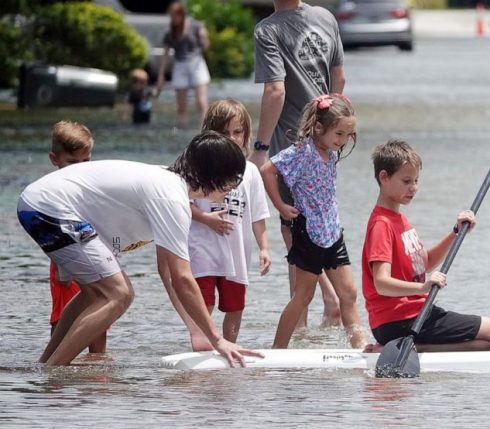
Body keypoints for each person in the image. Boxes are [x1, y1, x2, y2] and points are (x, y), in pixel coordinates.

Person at [17, 131, 261, 366]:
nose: (234, 186)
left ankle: (45, 365)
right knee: (119, 294)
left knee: (96, 293)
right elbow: (183, 278)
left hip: (37, 203)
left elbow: (164, 269)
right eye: (232, 178)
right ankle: (55, 371)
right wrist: (216, 339)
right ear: (213, 175)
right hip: (47, 207)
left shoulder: (169, 188)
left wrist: (198, 330)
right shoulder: (171, 198)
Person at [250, 0, 346, 328]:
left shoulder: (268, 30)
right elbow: (339, 79)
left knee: (293, 226)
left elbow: (275, 91)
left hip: (293, 142)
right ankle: (327, 304)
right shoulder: (325, 17)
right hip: (328, 140)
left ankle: (308, 319)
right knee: (319, 219)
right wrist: (333, 130)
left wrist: (260, 148)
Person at [361, 139, 490, 353]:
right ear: (384, 177)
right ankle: (405, 348)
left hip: (416, 314)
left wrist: (456, 233)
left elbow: (425, 262)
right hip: (398, 321)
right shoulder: (381, 224)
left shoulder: (399, 219)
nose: (414, 188)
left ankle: (405, 347)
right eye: (407, 181)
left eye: (416, 180)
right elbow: (381, 283)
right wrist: (423, 287)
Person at [260, 94, 366, 349]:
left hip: (332, 232)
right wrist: (281, 206)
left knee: (349, 293)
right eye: (338, 134)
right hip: (308, 233)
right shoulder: (302, 151)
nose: (342, 141)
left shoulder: (330, 152)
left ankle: (361, 349)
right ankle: (278, 350)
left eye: (347, 136)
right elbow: (267, 170)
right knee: (303, 297)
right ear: (319, 127)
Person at [184, 99, 271, 350]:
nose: (231, 138)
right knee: (204, 303)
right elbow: (179, 202)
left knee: (235, 306)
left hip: (237, 253)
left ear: (245, 135)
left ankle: (230, 345)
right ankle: (201, 346)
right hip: (203, 249)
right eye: (224, 133)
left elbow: (257, 213)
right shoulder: (196, 165)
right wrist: (205, 219)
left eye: (237, 132)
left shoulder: (251, 171)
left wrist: (264, 247)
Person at [46, 121, 106, 354]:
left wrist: (118, 249)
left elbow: (109, 223)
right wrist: (63, 268)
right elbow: (49, 230)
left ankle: (97, 361)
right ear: (54, 159)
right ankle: (55, 361)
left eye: (85, 161)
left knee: (101, 308)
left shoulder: (93, 186)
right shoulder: (51, 189)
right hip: (64, 259)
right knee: (62, 315)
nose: (79, 167)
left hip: (96, 255)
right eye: (72, 162)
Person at [155, 0, 210, 128]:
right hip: (180, 64)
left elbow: (205, 46)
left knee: (201, 101)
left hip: (196, 62)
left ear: (181, 14)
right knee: (181, 105)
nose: (173, 19)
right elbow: (165, 54)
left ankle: (205, 129)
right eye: (171, 16)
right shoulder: (170, 32)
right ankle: (181, 127)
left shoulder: (195, 26)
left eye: (175, 15)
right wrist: (161, 75)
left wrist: (203, 36)